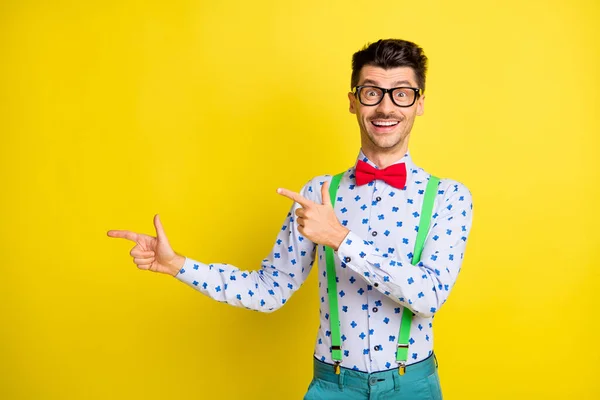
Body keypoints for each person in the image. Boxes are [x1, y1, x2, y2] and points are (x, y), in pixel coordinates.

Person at [108, 39, 473, 399]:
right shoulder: (317, 194)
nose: (385, 107)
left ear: (419, 103)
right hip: (333, 386)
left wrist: (340, 238)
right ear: (353, 101)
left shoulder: (448, 197)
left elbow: (428, 296)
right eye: (372, 92)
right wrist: (178, 265)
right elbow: (269, 291)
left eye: (402, 94)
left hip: (412, 387)